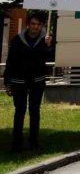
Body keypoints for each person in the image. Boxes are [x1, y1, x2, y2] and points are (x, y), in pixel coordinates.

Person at [5, 13, 54, 152]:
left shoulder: (45, 40)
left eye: (38, 24)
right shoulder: (17, 40)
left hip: (37, 81)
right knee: (19, 111)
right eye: (33, 24)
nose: (35, 27)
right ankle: (17, 143)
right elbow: (10, 62)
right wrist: (8, 83)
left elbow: (49, 59)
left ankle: (33, 142)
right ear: (28, 24)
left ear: (42, 26)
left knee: (35, 111)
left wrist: (48, 46)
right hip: (18, 81)